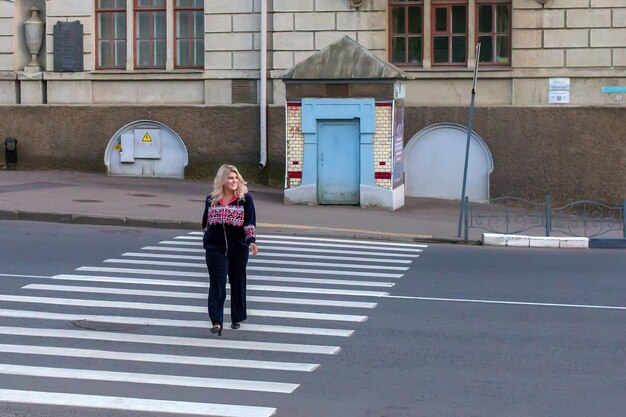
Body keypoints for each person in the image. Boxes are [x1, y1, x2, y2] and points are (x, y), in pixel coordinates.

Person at [201, 164, 259, 336]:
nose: (234, 181)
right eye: (230, 178)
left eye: (236, 178)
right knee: (217, 283)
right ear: (222, 180)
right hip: (215, 249)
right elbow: (205, 222)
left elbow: (250, 222)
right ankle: (217, 321)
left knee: (237, 281)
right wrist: (208, 238)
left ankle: (237, 317)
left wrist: (251, 241)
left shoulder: (244, 199)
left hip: (238, 248)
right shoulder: (211, 199)